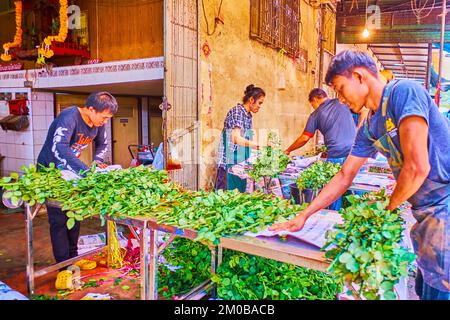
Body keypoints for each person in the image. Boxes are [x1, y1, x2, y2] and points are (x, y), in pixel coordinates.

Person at [270, 49, 450, 300]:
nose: (341, 100)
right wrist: (304, 215)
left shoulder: (404, 93)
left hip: (445, 207)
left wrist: (383, 211)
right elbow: (345, 175)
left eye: (341, 89)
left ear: (359, 76)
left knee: (439, 290)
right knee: (426, 286)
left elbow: (417, 167)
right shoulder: (370, 125)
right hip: (425, 214)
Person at [37, 92, 119, 266]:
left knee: (75, 215)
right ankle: (63, 266)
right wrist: (86, 173)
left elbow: (103, 144)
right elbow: (59, 148)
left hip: (71, 173)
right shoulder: (69, 117)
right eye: (103, 117)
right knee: (59, 220)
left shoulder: (98, 123)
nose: (105, 122)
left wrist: (97, 162)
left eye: (107, 119)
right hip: (51, 172)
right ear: (90, 109)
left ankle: (74, 258)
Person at [285, 88, 357, 210]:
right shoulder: (341, 103)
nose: (313, 107)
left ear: (315, 100)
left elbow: (305, 138)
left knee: (333, 191)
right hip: (356, 153)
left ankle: (333, 220)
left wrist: (288, 150)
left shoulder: (316, 114)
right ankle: (357, 214)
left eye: (312, 104)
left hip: (336, 154)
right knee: (355, 187)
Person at [215, 84, 265, 192]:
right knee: (224, 196)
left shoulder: (248, 116)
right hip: (228, 161)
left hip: (239, 162)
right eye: (259, 103)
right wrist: (259, 145)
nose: (260, 106)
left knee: (238, 196)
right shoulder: (237, 112)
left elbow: (246, 140)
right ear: (251, 100)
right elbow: (236, 139)